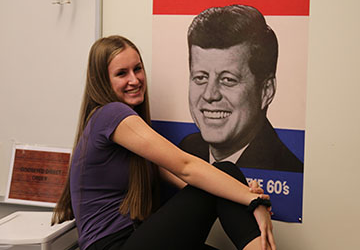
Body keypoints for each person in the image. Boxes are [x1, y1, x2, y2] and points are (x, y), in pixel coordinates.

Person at [51, 35, 275, 250]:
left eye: (137, 69)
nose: (134, 79)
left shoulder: (130, 136)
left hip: (134, 237)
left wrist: (243, 192)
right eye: (121, 73)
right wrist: (253, 201)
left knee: (223, 181)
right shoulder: (110, 114)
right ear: (103, 81)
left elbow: (195, 184)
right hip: (113, 244)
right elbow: (186, 167)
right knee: (226, 170)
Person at [179, 5, 303, 173]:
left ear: (266, 91)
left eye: (228, 80)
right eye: (201, 78)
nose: (210, 94)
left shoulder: (286, 170)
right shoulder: (186, 150)